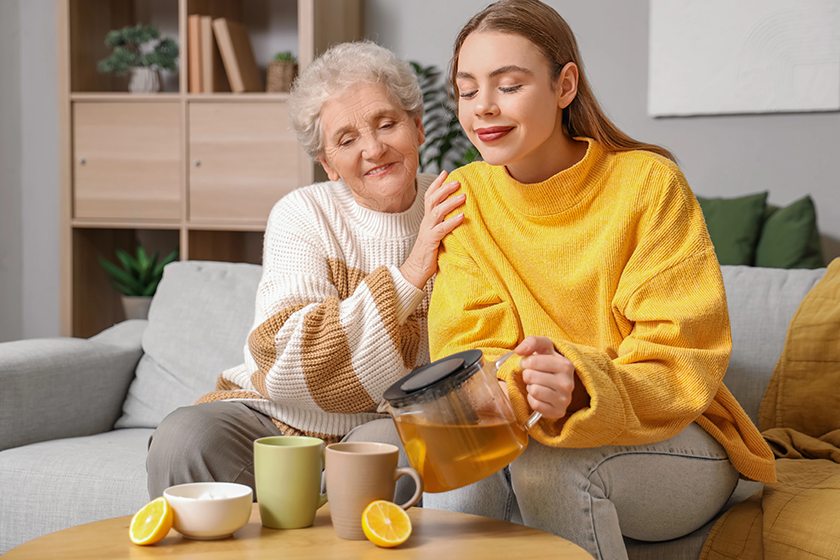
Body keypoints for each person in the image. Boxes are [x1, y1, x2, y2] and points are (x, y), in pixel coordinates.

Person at [423, 2, 776, 559]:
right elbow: (469, 352)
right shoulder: (465, 198)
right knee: (460, 462)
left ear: (565, 86)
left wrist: (582, 384)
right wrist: (526, 381)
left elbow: (682, 358)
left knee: (546, 472)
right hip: (529, 428)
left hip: (674, 435)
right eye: (467, 91)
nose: (482, 109)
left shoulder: (647, 184)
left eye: (508, 85)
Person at [146, 41, 464, 501]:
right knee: (184, 437)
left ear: (417, 127)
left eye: (386, 124)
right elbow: (287, 361)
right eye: (346, 139)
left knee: (390, 453)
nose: (373, 149)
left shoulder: (457, 207)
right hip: (273, 416)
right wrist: (413, 272)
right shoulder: (303, 214)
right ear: (328, 165)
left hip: (386, 425)